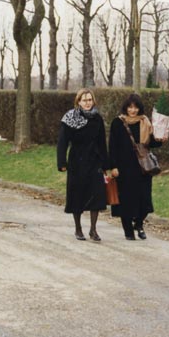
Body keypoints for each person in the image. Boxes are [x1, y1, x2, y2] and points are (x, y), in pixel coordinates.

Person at [108, 94, 167, 240]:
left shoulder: (145, 122)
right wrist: (113, 166)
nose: (133, 110)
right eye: (130, 107)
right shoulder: (117, 123)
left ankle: (139, 224)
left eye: (135, 107)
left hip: (143, 168)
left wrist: (160, 139)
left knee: (145, 201)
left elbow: (151, 143)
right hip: (124, 168)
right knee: (126, 201)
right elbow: (112, 146)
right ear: (125, 108)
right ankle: (128, 231)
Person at [57, 88, 110, 241]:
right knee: (77, 195)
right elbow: (62, 142)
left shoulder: (97, 118)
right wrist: (62, 162)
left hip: (95, 161)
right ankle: (78, 228)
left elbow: (102, 143)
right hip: (77, 161)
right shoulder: (70, 117)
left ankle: (93, 229)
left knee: (97, 195)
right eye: (84, 100)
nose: (87, 103)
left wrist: (106, 165)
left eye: (90, 100)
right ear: (78, 101)